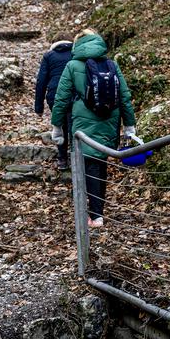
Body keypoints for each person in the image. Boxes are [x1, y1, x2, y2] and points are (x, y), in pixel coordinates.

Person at [51, 29, 136, 228]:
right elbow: (124, 97)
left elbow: (61, 99)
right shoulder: (111, 64)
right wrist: (129, 125)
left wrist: (57, 126)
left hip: (83, 124)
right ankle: (97, 213)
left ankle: (94, 215)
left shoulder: (72, 66)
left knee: (89, 167)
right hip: (109, 122)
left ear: (77, 44)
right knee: (100, 165)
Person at [34, 33, 74, 170]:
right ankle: (76, 158)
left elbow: (41, 81)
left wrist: (38, 107)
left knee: (60, 125)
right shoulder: (77, 54)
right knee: (74, 126)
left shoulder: (49, 56)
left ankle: (62, 159)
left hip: (55, 96)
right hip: (74, 95)